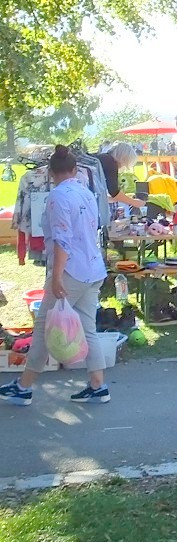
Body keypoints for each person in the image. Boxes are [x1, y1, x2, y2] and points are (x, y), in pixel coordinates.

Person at [1, 146, 111, 406]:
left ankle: (24, 387)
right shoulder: (85, 193)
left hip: (70, 270)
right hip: (93, 267)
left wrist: (56, 276)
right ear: (75, 170)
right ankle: (98, 385)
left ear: (50, 172)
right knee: (88, 328)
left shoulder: (57, 197)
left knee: (43, 329)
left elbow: (62, 240)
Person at [95, 142, 147, 211]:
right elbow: (114, 192)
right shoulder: (111, 163)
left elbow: (107, 194)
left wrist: (122, 198)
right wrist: (135, 202)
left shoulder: (103, 158)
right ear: (123, 158)